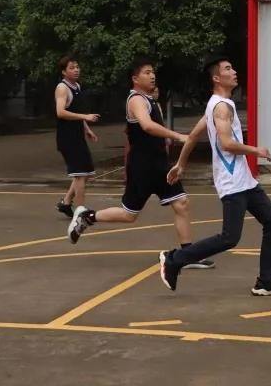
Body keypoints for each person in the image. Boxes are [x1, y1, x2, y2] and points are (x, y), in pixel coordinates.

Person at [158, 56, 271, 296]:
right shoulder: (221, 106)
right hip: (232, 183)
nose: (234, 72)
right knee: (229, 238)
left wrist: (181, 164)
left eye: (233, 67)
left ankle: (266, 281)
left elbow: (191, 137)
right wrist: (256, 150)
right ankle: (175, 259)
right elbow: (226, 143)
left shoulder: (215, 104)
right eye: (228, 69)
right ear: (216, 78)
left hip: (245, 182)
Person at [67, 59, 215, 269]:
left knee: (181, 203)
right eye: (147, 72)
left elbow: (156, 125)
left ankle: (187, 255)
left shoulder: (151, 99)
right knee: (129, 215)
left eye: (153, 72)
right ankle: (87, 216)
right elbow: (146, 126)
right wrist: (177, 136)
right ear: (135, 78)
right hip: (142, 166)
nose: (152, 75)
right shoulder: (136, 100)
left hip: (160, 164)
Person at [54, 56, 99, 218]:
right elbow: (60, 112)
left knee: (84, 173)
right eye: (72, 67)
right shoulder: (62, 88)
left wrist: (87, 128)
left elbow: (76, 113)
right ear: (64, 72)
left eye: (77, 66)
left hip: (77, 136)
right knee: (80, 175)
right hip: (67, 138)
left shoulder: (77, 86)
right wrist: (85, 117)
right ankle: (81, 211)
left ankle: (66, 203)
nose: (76, 70)